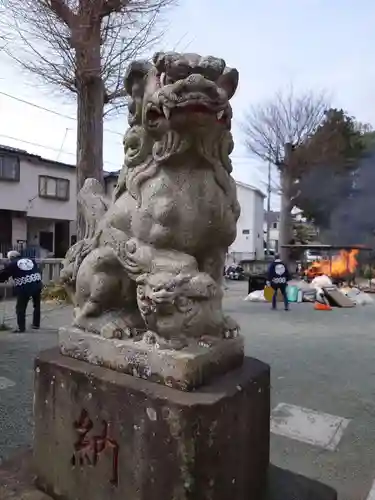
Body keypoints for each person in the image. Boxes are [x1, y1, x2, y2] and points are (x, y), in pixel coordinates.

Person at [0, 250, 43, 333]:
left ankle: (21, 328)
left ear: (11, 258)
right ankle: (36, 324)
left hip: (25, 285)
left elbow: (4, 275)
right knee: (36, 305)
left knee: (20, 308)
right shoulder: (31, 260)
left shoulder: (12, 264)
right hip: (37, 283)